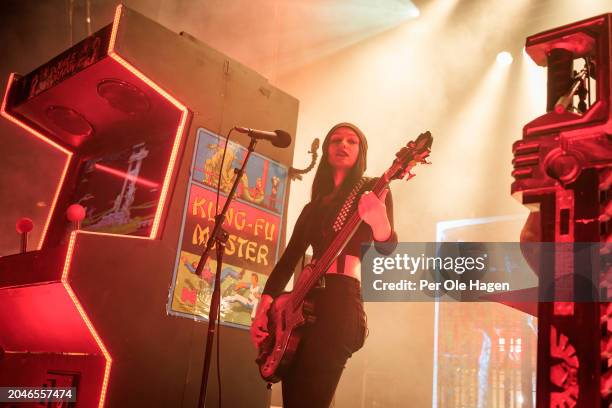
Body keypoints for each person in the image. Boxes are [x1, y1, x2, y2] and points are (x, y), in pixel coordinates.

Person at [250, 122, 397, 407]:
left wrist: (379, 220)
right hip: (302, 302)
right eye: (336, 140)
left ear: (361, 151)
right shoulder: (313, 207)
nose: (343, 145)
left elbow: (387, 248)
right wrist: (263, 307)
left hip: (341, 301)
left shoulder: (373, 190)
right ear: (327, 150)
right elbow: (288, 260)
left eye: (352, 141)